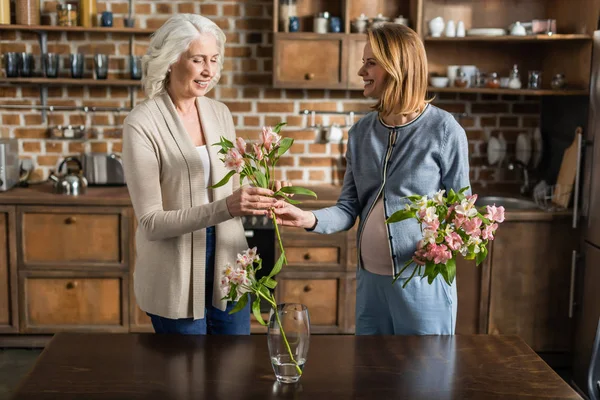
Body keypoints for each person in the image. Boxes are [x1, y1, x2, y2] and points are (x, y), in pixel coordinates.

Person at [272, 23, 470, 335]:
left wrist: (440, 245)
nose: (361, 71)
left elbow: (463, 213)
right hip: (369, 282)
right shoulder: (361, 132)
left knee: (425, 376)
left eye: (370, 62)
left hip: (421, 282)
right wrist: (306, 217)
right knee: (372, 375)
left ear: (398, 67)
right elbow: (348, 207)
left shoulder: (445, 130)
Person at [122, 14, 279, 335]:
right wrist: (227, 208)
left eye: (214, 60)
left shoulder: (219, 113)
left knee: (233, 373)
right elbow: (151, 222)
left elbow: (231, 186)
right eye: (198, 60)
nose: (209, 70)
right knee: (185, 379)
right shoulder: (142, 123)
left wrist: (262, 191)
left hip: (230, 268)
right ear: (170, 61)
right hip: (174, 272)